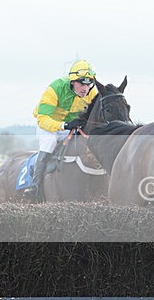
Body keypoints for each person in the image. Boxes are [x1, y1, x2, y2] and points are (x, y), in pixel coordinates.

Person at [23, 60, 98, 198]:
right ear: (72, 81)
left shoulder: (91, 93)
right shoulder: (55, 88)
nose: (85, 89)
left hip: (70, 128)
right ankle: (35, 187)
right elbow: (42, 119)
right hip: (48, 125)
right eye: (82, 83)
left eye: (89, 84)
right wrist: (64, 125)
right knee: (50, 142)